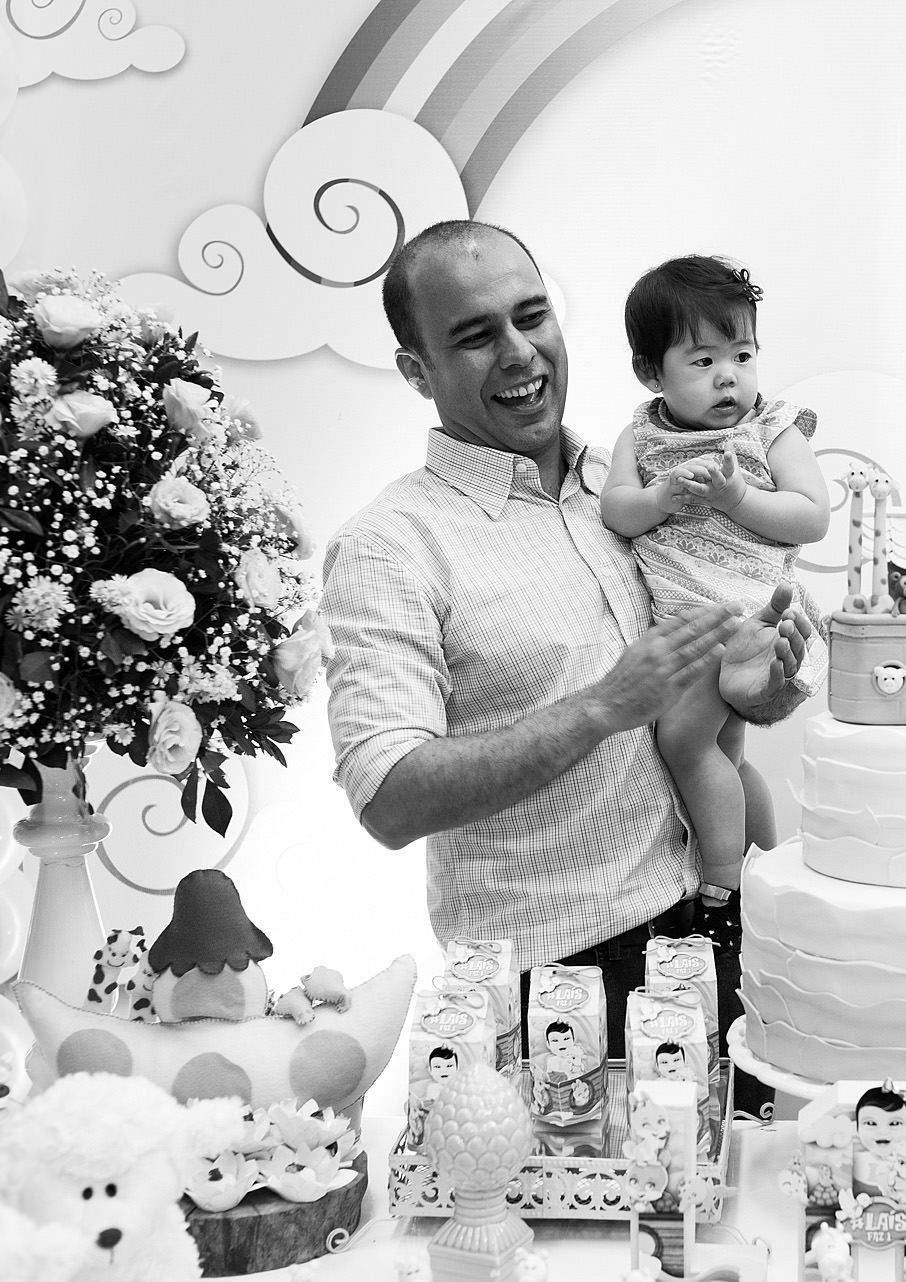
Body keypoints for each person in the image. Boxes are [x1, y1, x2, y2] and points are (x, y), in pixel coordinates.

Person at [320, 220, 813, 1047]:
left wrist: (758, 689)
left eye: (532, 316)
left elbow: (715, 702)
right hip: (557, 985)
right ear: (416, 370)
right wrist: (600, 707)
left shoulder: (642, 487)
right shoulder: (389, 545)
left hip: (719, 930)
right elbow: (389, 799)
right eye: (476, 336)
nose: (519, 352)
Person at [603, 255, 831, 906]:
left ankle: (724, 883)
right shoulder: (641, 436)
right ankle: (768, 866)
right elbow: (616, 509)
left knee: (683, 740)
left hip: (746, 616)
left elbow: (812, 516)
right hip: (688, 620)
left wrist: (738, 498)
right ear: (651, 372)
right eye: (702, 361)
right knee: (727, 756)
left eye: (742, 355)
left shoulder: (770, 428)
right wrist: (658, 499)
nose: (728, 376)